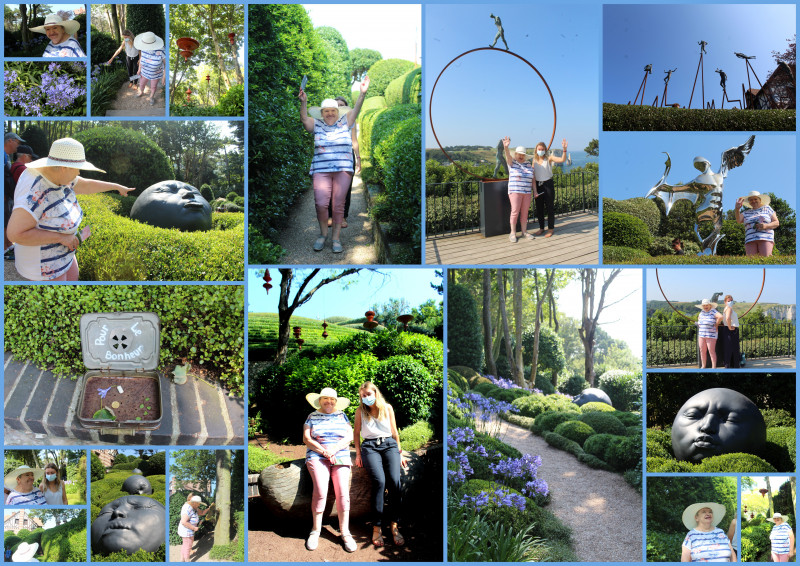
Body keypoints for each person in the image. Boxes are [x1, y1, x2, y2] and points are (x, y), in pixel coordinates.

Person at [6, 137, 134, 281]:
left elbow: (86, 185)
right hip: (44, 266)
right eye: (78, 169)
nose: (79, 173)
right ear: (63, 167)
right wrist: (61, 238)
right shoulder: (35, 192)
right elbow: (15, 234)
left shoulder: (59, 177)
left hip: (63, 254)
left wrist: (116, 186)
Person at [299, 76, 370, 254]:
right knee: (321, 203)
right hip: (321, 170)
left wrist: (362, 94)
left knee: (338, 204)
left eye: (333, 110)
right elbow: (303, 120)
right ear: (322, 113)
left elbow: (357, 108)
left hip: (343, 169)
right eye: (326, 111)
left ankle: (336, 238)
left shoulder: (346, 122)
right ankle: (323, 235)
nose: (330, 113)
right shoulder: (316, 124)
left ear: (338, 112)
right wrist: (304, 102)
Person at [354, 382, 407, 547]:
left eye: (369, 394)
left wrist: (400, 451)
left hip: (389, 445)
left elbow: (395, 432)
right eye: (363, 395)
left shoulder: (387, 408)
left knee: (394, 481)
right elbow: (356, 434)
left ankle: (394, 524)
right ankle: (377, 527)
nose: (366, 397)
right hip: (370, 447)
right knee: (380, 481)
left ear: (376, 393)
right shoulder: (360, 411)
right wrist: (357, 454)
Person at [302, 387, 356, 552]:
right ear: (319, 400)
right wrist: (324, 451)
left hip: (339, 454)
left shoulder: (342, 415)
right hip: (318, 456)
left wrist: (333, 450)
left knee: (343, 492)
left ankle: (345, 532)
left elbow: (350, 436)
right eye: (326, 399)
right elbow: (306, 438)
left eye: (332, 399)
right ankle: (316, 530)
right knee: (320, 489)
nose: (329, 402)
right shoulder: (311, 416)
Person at [326, 96, 360, 230]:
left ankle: (343, 216)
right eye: (337, 105)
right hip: (330, 158)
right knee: (329, 188)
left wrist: (358, 158)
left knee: (345, 189)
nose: (340, 107)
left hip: (346, 158)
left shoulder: (349, 121)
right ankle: (330, 216)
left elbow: (354, 140)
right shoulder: (326, 120)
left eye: (342, 105)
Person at [502, 137, 538, 243]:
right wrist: (506, 147)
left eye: (523, 155)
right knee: (515, 212)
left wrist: (535, 191)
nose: (521, 156)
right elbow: (507, 156)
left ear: (525, 156)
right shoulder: (512, 163)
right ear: (516, 155)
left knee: (525, 213)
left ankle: (524, 232)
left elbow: (533, 179)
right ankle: (512, 233)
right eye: (519, 154)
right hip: (515, 191)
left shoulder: (528, 164)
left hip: (527, 192)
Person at [532, 139, 569, 237]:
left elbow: (562, 160)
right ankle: (541, 228)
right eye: (539, 149)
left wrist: (564, 149)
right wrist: (534, 190)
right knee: (539, 208)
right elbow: (533, 176)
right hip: (538, 185)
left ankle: (551, 229)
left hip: (548, 185)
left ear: (545, 150)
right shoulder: (534, 160)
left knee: (550, 208)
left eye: (542, 149)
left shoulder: (549, 158)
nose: (540, 150)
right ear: (536, 150)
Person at [735, 191, 779, 257]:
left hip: (765, 237)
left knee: (766, 257)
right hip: (750, 239)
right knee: (751, 261)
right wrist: (737, 209)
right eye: (751, 200)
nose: (753, 201)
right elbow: (738, 220)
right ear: (749, 202)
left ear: (760, 200)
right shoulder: (746, 212)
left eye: (755, 199)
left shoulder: (767, 208)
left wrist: (766, 226)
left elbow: (776, 223)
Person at [134, 32, 165, 106]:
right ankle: (141, 92)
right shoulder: (144, 48)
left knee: (153, 86)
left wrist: (164, 76)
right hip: (144, 72)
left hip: (156, 74)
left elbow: (166, 63)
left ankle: (151, 97)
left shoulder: (162, 50)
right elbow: (141, 58)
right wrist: (139, 69)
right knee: (141, 83)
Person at [177, 494, 209, 562]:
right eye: (198, 504)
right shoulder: (188, 508)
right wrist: (194, 528)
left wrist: (209, 509)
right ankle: (187, 561)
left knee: (185, 546)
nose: (199, 505)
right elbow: (184, 522)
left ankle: (182, 561)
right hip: (187, 531)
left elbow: (202, 512)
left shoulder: (194, 508)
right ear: (194, 503)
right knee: (188, 547)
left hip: (188, 531)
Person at [695, 298, 723, 369]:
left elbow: (720, 317)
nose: (705, 307)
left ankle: (714, 367)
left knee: (711, 351)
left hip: (711, 335)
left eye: (706, 305)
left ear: (710, 305)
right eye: (704, 305)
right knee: (702, 351)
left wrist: (716, 324)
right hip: (701, 335)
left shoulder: (713, 311)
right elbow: (699, 318)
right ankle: (703, 366)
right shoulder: (702, 312)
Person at [717, 295, 740, 368]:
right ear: (725, 302)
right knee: (734, 348)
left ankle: (728, 365)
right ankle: (735, 365)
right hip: (731, 330)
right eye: (728, 301)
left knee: (728, 348)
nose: (730, 302)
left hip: (727, 329)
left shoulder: (725, 308)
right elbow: (727, 318)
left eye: (731, 300)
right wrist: (730, 327)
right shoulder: (729, 308)